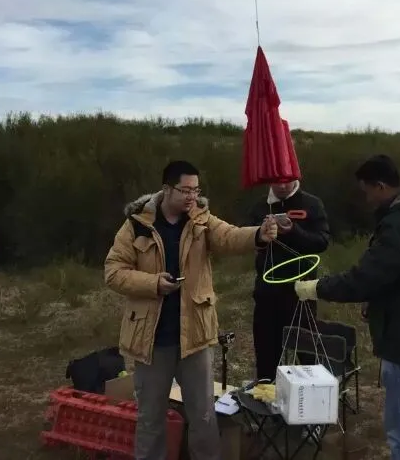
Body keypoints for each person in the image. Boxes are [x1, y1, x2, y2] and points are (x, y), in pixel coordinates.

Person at [104, 159, 278, 460]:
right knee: (150, 418)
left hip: (195, 337)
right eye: (185, 190)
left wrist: (259, 234)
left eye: (196, 190)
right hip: (151, 340)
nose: (191, 197)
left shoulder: (201, 220)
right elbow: (114, 272)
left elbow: (229, 236)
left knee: (204, 416)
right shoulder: (136, 225)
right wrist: (153, 283)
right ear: (166, 189)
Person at [295, 154, 400, 460]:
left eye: (367, 190)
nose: (366, 198)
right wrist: (376, 303)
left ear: (380, 186)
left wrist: (317, 288)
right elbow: (397, 279)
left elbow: (367, 277)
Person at [247, 178, 330, 381]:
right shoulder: (260, 206)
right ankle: (267, 403)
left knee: (308, 356)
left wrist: (293, 231)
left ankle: (312, 402)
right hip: (267, 293)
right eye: (277, 181)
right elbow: (245, 237)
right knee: (266, 355)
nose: (282, 186)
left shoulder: (312, 204)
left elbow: (321, 241)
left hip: (301, 294)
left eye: (287, 181)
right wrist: (260, 235)